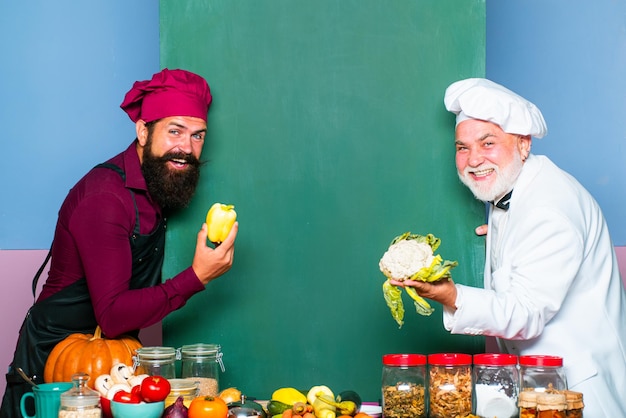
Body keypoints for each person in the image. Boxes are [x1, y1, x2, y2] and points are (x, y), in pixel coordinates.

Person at [0, 68, 238, 417]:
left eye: (197, 136)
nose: (186, 148)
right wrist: (197, 276)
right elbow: (110, 316)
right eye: (175, 131)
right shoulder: (105, 197)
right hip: (56, 371)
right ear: (143, 130)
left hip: (117, 371)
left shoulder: (158, 184)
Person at [392, 78, 626, 417]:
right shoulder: (511, 190)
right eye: (462, 148)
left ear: (523, 145)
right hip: (538, 389)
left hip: (579, 395)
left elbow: (526, 313)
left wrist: (450, 295)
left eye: (488, 143)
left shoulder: (549, 208)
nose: (474, 160)